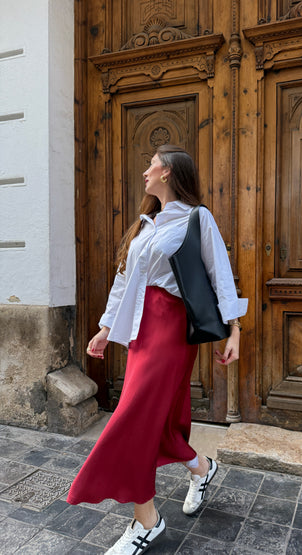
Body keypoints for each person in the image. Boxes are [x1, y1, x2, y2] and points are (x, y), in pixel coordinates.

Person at [66, 144, 248, 555]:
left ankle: (146, 521)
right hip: (140, 331)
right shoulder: (146, 226)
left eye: (151, 165)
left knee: (134, 417)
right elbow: (123, 281)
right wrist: (105, 329)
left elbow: (221, 273)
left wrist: (234, 330)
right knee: (156, 419)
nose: (145, 172)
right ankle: (202, 469)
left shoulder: (196, 218)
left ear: (168, 172)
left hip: (170, 331)